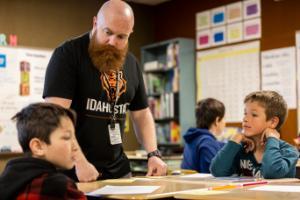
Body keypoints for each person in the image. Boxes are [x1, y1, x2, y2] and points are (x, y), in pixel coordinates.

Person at [42, 0, 167, 182]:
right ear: (95, 23)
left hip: (119, 172)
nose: (112, 42)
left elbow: (141, 114)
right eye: (107, 32)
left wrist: (153, 153)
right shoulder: (68, 55)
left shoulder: (131, 63)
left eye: (121, 37)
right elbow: (55, 116)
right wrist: (79, 161)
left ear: (130, 34)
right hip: (74, 172)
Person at [0, 103, 86, 200]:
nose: (75, 147)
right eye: (67, 138)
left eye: (74, 138)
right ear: (38, 147)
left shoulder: (7, 178)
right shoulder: (59, 186)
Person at [210, 91, 299, 178]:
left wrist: (272, 138)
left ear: (272, 122)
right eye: (245, 113)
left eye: (254, 115)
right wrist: (235, 139)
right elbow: (217, 171)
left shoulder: (289, 151)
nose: (245, 119)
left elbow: (271, 173)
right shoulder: (241, 149)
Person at [181, 98, 226, 173]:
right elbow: (212, 174)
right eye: (224, 118)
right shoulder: (207, 142)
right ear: (217, 120)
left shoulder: (193, 138)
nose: (225, 122)